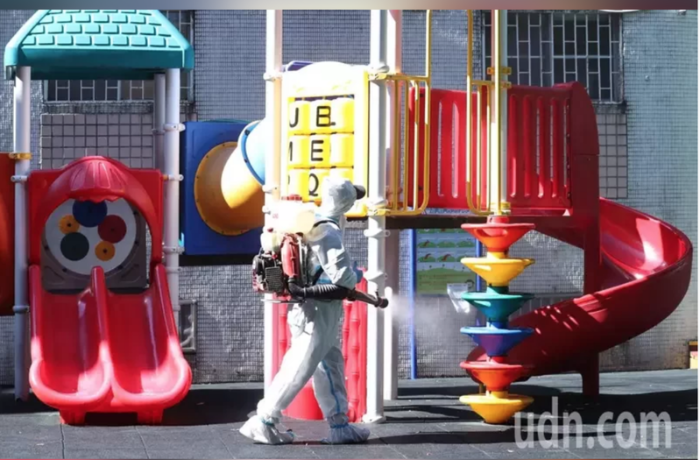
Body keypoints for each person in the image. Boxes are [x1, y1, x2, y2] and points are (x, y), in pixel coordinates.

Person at [240, 177, 371, 445]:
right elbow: (343, 278)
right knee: (299, 365)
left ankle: (339, 425)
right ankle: (263, 420)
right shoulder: (328, 231)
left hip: (311, 306)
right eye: (351, 199)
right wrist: (356, 274)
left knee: (329, 365)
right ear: (345, 201)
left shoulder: (314, 221)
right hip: (318, 310)